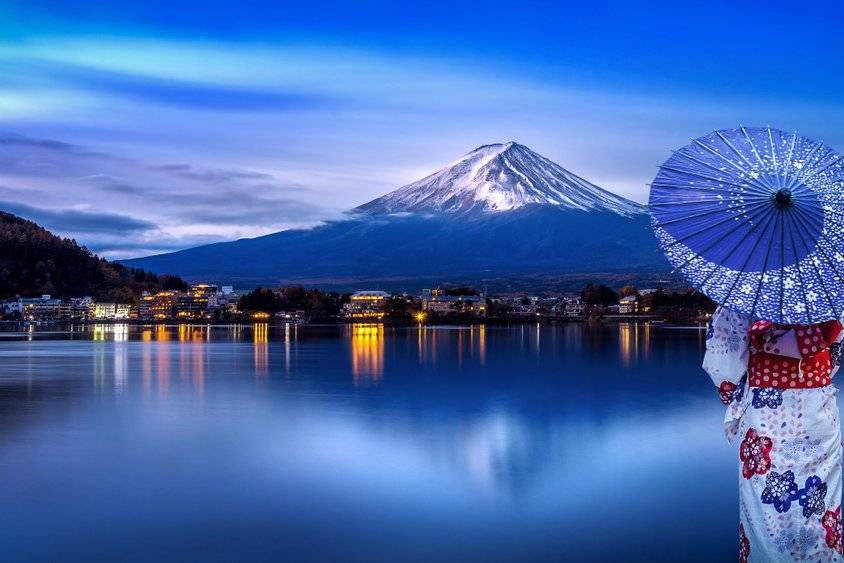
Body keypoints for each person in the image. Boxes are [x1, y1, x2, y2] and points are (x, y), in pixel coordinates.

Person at [704, 306, 844, 562]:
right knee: (819, 505)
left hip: (766, 416)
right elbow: (834, 354)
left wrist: (734, 392)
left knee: (765, 512)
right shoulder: (825, 292)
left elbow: (722, 362)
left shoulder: (745, 294)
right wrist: (807, 376)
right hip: (818, 413)